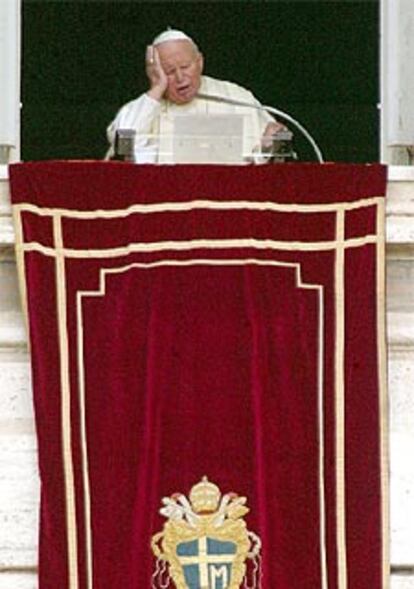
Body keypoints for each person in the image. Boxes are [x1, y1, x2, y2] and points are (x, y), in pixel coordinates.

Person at [106, 29, 284, 163]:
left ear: (200, 62)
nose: (180, 78)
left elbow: (264, 157)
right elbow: (123, 142)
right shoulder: (147, 105)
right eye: (169, 71)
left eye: (185, 67)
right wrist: (157, 88)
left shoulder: (235, 96)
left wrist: (270, 143)